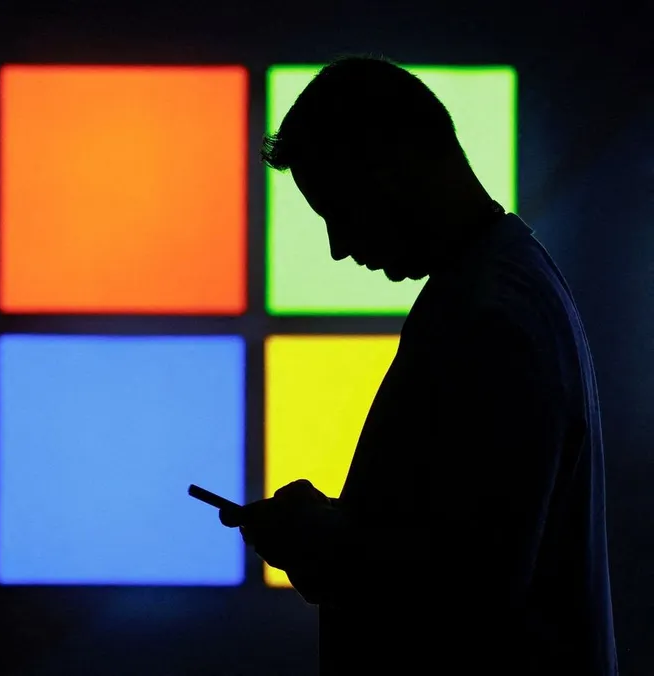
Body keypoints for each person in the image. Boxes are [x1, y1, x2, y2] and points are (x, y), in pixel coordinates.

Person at [219, 55, 618, 674]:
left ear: (392, 169)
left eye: (339, 211)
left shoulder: (486, 316)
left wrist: (317, 540)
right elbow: (460, 535)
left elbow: (466, 594)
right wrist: (339, 528)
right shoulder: (508, 285)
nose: (339, 248)